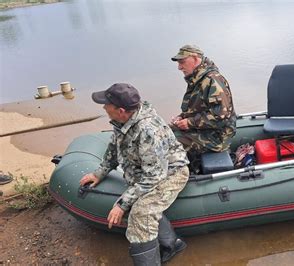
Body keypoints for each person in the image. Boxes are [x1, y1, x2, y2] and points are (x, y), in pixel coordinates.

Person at [79, 83, 189, 265]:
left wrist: (122, 204)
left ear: (121, 110)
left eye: (107, 104)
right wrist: (100, 173)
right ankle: (173, 244)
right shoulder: (123, 122)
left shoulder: (148, 130)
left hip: (170, 173)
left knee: (141, 212)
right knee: (136, 202)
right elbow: (114, 148)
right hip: (147, 171)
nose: (104, 107)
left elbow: (154, 176)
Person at [170, 44, 237, 161]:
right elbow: (198, 108)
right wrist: (182, 117)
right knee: (166, 130)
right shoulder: (197, 79)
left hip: (217, 137)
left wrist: (190, 123)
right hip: (204, 129)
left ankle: (183, 173)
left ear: (195, 59)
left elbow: (221, 116)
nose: (179, 67)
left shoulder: (212, 80)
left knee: (170, 143)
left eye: (182, 62)